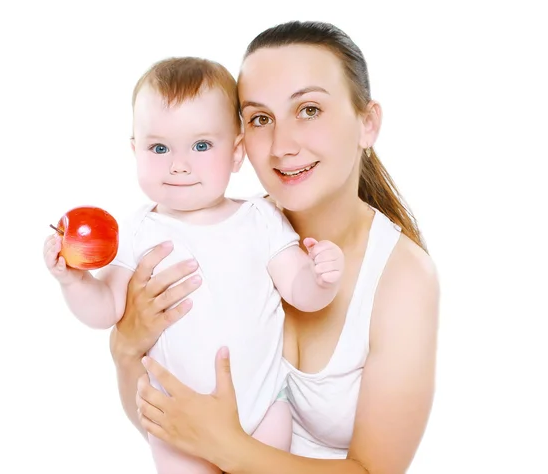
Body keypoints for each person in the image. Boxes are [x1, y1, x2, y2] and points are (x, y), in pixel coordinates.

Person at [110, 20, 440, 474]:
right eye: (261, 118)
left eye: (308, 110)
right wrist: (126, 347)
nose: (282, 146)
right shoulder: (227, 232)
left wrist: (227, 447)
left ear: (367, 123)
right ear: (240, 140)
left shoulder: (403, 278)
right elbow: (165, 422)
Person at [43, 56, 345, 473]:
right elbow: (106, 311)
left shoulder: (261, 220)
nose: (179, 164)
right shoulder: (136, 232)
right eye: (159, 147)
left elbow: (301, 292)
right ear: (135, 150)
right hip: (176, 418)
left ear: (237, 152)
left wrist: (322, 276)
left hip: (262, 410)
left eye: (201, 146)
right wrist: (74, 281)